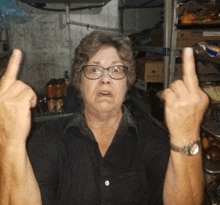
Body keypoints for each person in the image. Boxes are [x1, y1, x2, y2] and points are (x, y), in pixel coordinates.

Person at [0, 31, 209, 205]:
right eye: (94, 69)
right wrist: (10, 142)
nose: (105, 79)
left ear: (128, 82)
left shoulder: (154, 140)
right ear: (78, 81)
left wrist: (186, 135)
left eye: (116, 69)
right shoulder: (48, 140)